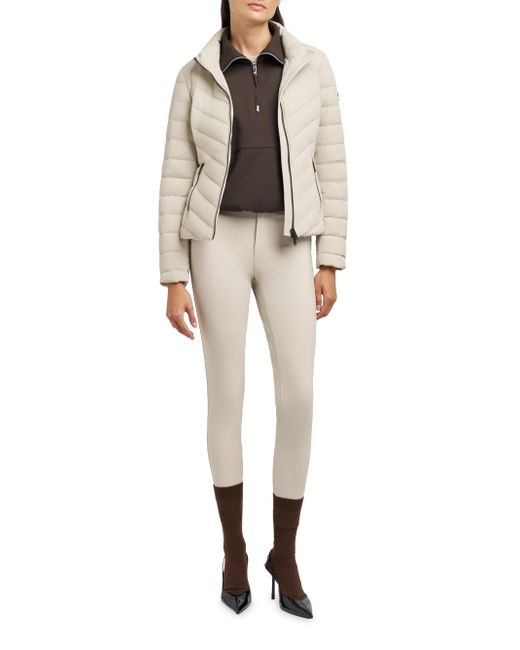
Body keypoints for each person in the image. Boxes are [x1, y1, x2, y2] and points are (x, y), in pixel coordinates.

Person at [157, 0, 348, 618]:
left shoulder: (312, 66)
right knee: (227, 394)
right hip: (216, 243)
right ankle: (234, 550)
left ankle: (283, 554)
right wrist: (174, 276)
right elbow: (175, 175)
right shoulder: (195, 73)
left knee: (300, 394)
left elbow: (331, 165)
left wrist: (329, 259)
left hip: (291, 245)